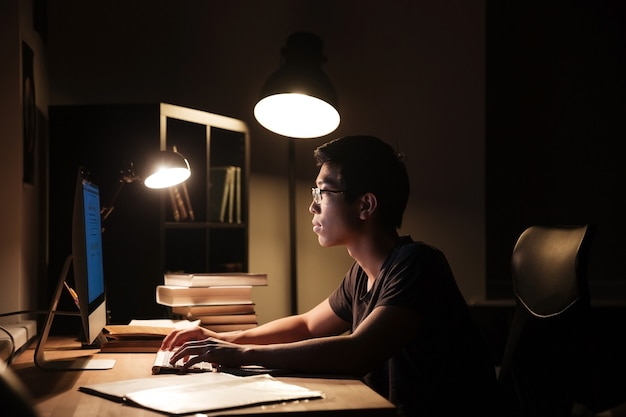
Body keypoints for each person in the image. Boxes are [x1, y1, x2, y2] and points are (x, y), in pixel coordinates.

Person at [161, 135, 498, 416]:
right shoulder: (361, 275)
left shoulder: (417, 265)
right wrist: (222, 339)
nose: (313, 206)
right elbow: (307, 325)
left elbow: (359, 350)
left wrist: (243, 355)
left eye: (323, 192)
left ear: (365, 205)